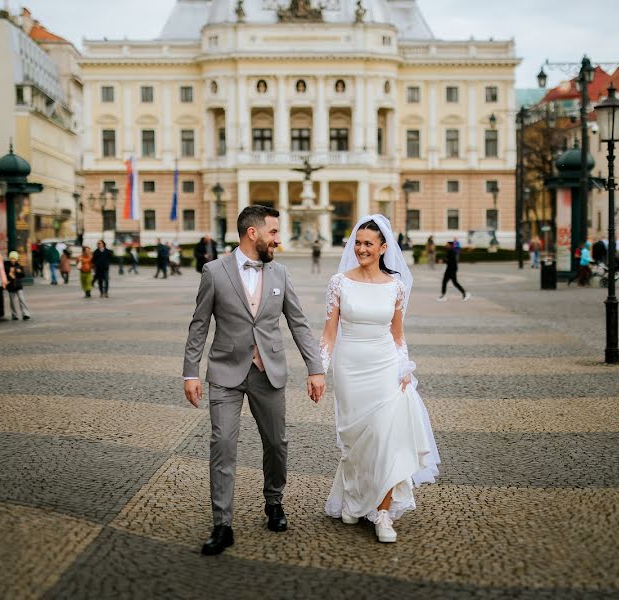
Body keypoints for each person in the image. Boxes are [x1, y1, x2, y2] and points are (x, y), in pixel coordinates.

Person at [182, 205, 325, 556]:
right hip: (225, 373)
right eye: (274, 232)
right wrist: (190, 371)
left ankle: (274, 502)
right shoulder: (214, 272)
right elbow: (199, 324)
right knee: (223, 445)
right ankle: (222, 524)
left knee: (277, 443)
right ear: (253, 233)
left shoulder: (281, 274)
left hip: (268, 372)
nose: (278, 239)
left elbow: (299, 323)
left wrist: (315, 367)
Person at [319, 215, 440, 544]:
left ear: (383, 248)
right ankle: (353, 497)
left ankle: (383, 513)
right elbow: (329, 334)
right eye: (357, 243)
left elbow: (398, 334)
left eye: (368, 244)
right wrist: (319, 369)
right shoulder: (339, 282)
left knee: (387, 438)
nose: (361, 249)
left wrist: (405, 368)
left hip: (385, 365)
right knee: (356, 442)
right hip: (349, 367)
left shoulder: (396, 286)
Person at [5, 251, 31, 321]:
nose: (13, 260)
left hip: (18, 285)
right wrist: (9, 271)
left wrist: (20, 272)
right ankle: (14, 315)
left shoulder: (19, 265)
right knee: (12, 301)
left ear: (16, 259)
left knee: (21, 299)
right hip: (10, 286)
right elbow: (5, 274)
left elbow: (22, 275)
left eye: (14, 258)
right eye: (11, 258)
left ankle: (25, 314)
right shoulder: (6, 265)